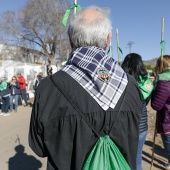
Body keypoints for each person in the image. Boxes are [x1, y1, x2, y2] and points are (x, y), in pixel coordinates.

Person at [29, 6, 142, 170]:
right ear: (108, 39)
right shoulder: (131, 85)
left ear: (70, 39)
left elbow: (38, 147)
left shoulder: (48, 88)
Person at [122, 53, 151, 170]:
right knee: (137, 158)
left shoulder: (121, 82)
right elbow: (146, 102)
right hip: (142, 126)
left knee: (124, 158)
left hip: (125, 127)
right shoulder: (146, 83)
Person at [151, 55, 170, 169]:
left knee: (168, 142)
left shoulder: (163, 80)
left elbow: (156, 105)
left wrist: (153, 90)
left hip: (167, 119)